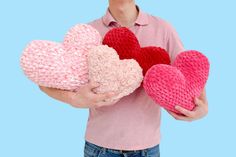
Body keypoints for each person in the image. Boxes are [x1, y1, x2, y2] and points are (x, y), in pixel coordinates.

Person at [39, 0, 209, 156]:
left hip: (147, 149)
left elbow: (188, 71)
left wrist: (203, 107)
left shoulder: (163, 28)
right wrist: (73, 98)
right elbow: (46, 80)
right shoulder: (88, 33)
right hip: (99, 147)